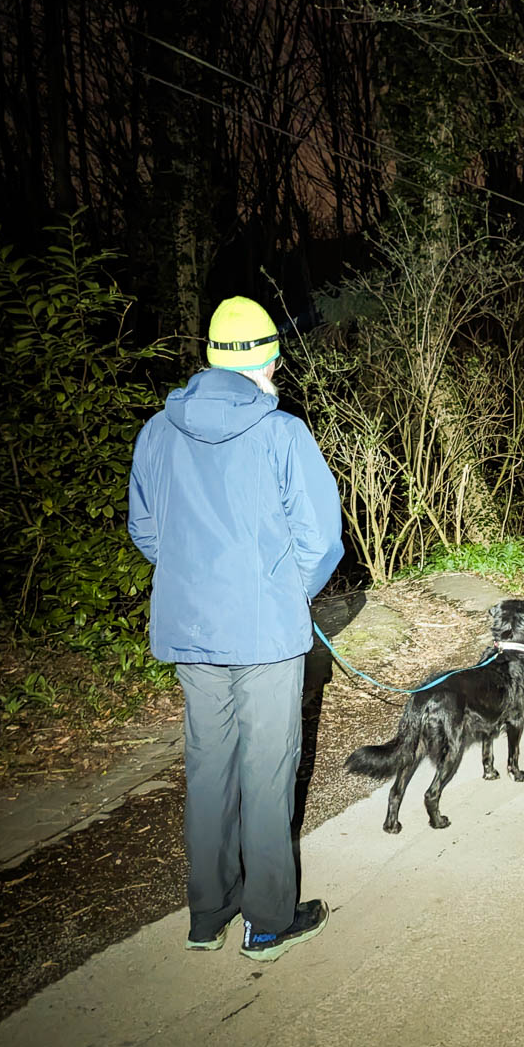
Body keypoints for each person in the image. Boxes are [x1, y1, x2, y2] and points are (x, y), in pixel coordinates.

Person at [127, 296, 344, 961]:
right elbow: (324, 541)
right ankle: (269, 921)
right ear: (267, 362)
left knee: (209, 767)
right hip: (266, 636)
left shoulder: (158, 433)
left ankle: (207, 915)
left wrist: (201, 583)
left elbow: (145, 531)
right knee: (268, 770)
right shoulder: (283, 434)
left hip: (193, 630)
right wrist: (281, 594)